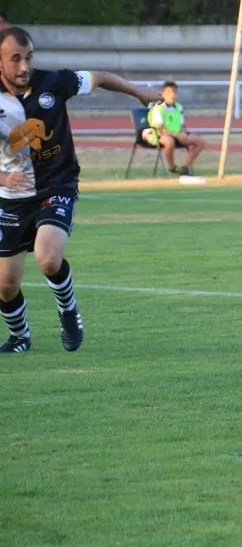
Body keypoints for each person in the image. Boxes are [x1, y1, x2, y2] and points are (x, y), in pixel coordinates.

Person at [0, 26, 161, 353]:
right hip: (12, 197)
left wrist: (138, 92)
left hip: (56, 184)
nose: (23, 66)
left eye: (28, 57)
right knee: (5, 285)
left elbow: (99, 77)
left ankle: (68, 311)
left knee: (48, 258)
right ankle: (20, 337)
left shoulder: (53, 83)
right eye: (15, 59)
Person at [145, 81, 207, 175]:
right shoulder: (158, 108)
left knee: (200, 142)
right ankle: (172, 167)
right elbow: (161, 129)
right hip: (160, 135)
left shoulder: (179, 107)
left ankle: (184, 167)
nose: (172, 95)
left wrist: (182, 133)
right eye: (169, 92)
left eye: (174, 92)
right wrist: (178, 136)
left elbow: (181, 125)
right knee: (169, 142)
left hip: (177, 134)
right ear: (163, 94)